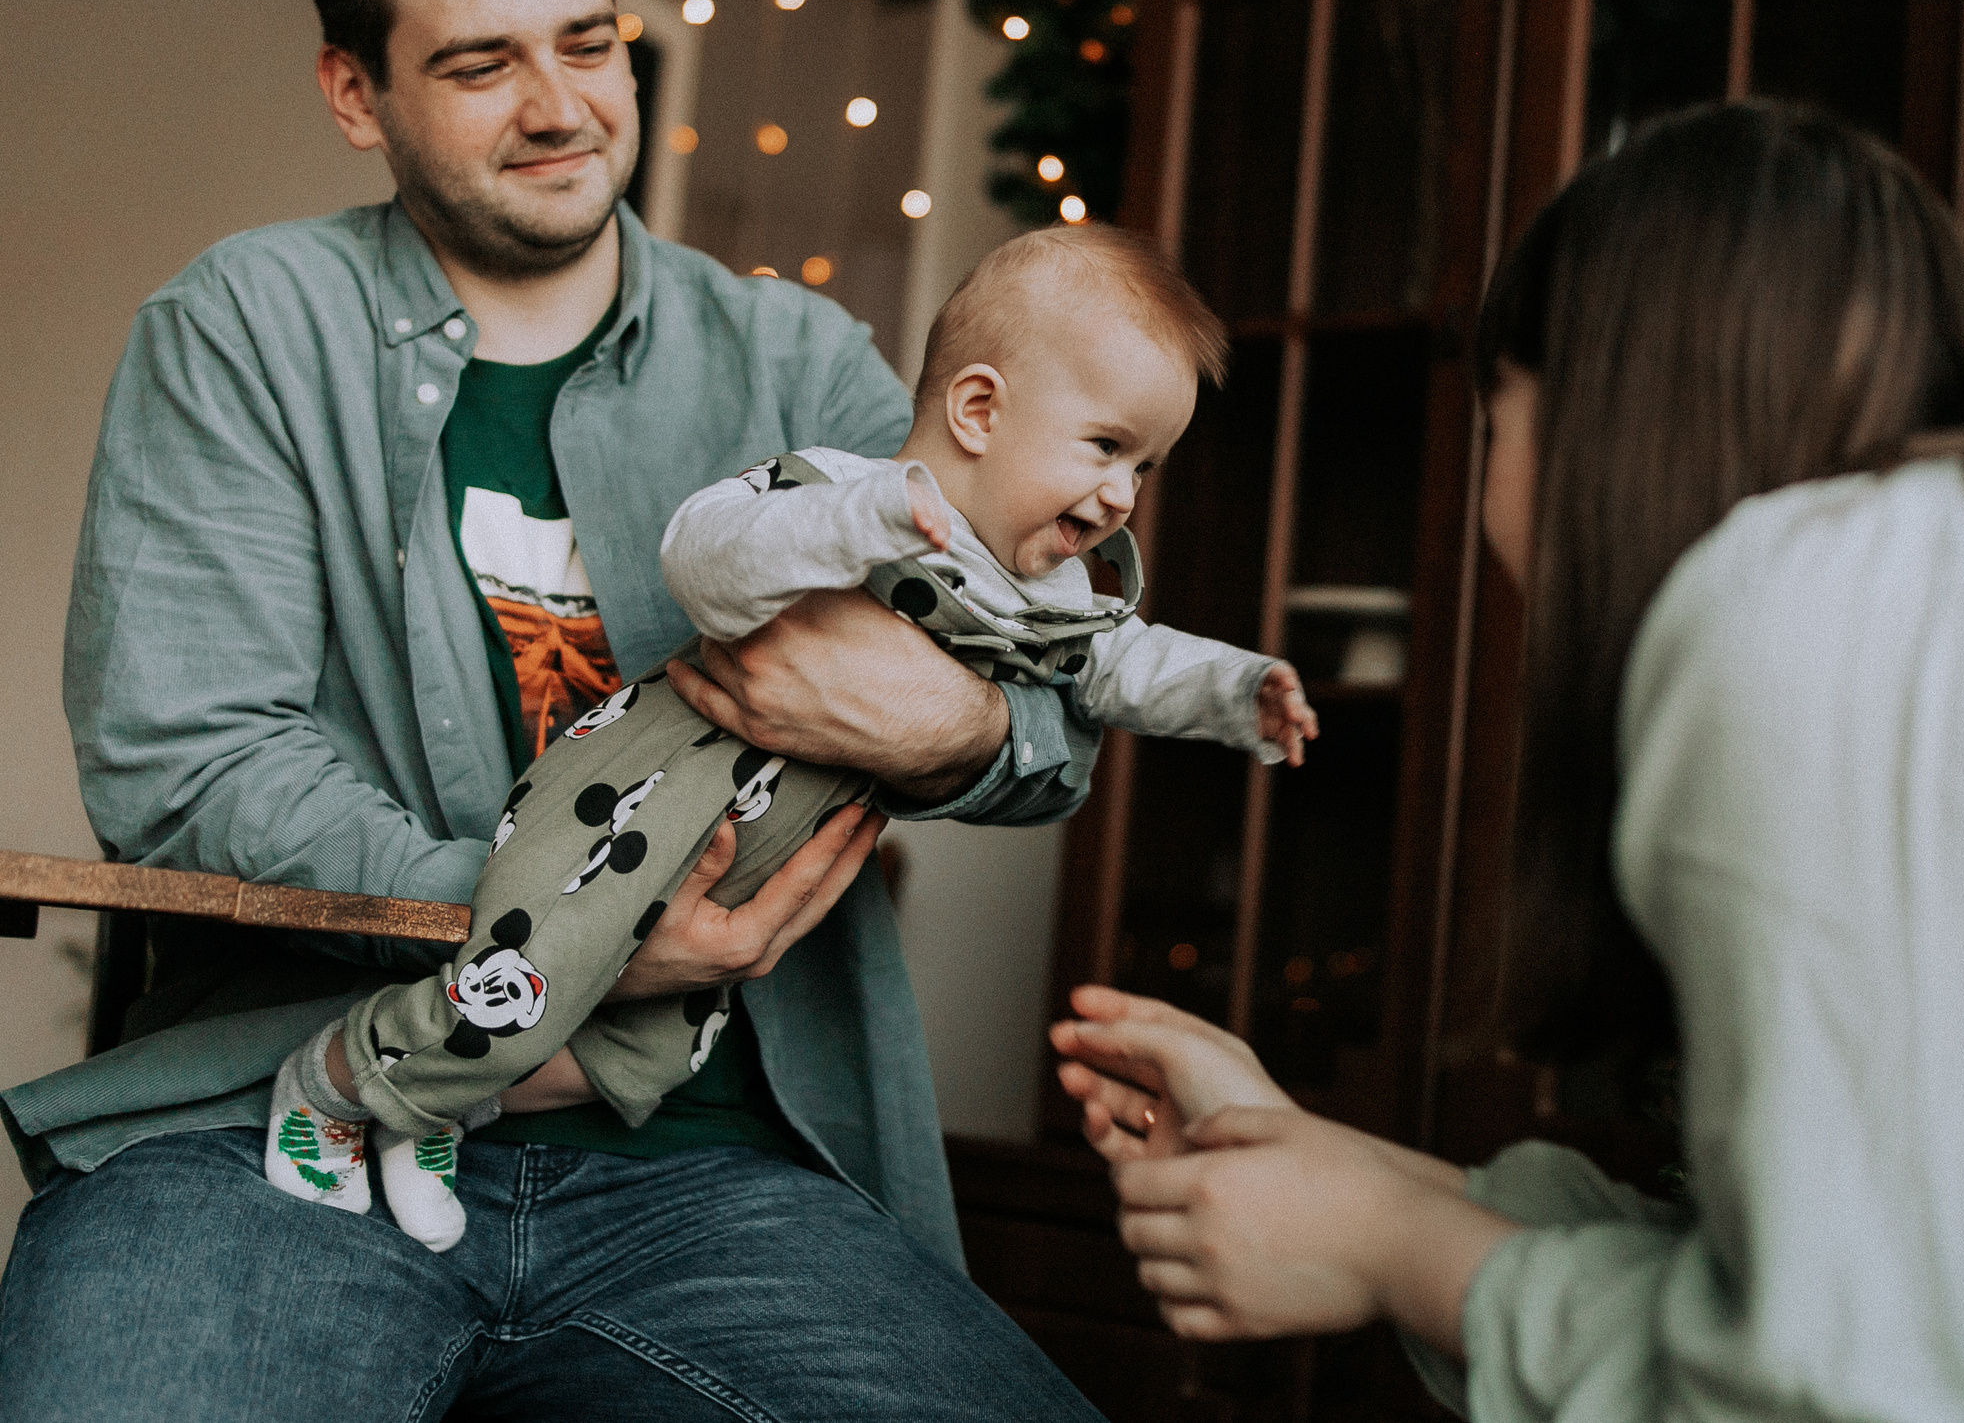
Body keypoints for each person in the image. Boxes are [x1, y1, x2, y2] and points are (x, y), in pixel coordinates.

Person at [1050, 102, 1964, 1420]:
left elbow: (1838, 1394)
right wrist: (1350, 1179)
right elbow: (1883, 1275)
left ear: (1597, 407)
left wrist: (1395, 1251)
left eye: (1494, 416)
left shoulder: (1814, 607)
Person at [1, 0, 1105, 1420]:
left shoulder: (797, 359)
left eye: (589, 42)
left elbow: (1054, 695)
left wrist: (969, 723)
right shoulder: (242, 326)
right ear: (354, 92)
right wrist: (565, 933)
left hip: (709, 1164)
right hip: (282, 1124)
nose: (562, 107)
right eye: (479, 63)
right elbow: (192, 760)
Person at [265, 222, 1320, 1253]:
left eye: (1145, 467)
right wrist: (856, 523)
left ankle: (430, 1108)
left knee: (639, 1054)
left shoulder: (1042, 596)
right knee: (539, 971)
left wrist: (1240, 691)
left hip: (738, 906)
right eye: (1105, 448)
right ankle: (341, 1081)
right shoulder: (825, 489)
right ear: (981, 409)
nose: (1120, 495)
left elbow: (1128, 663)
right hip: (638, 804)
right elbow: (705, 559)